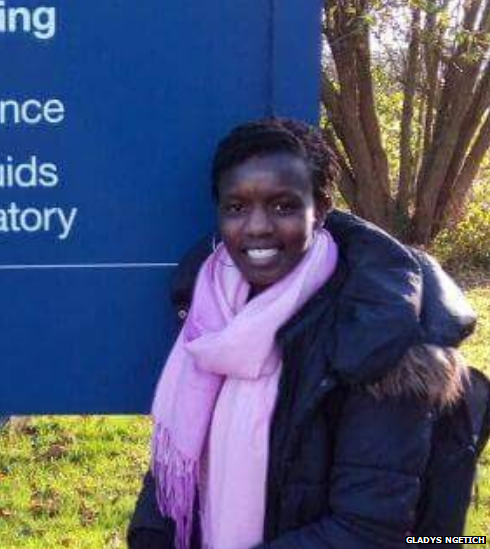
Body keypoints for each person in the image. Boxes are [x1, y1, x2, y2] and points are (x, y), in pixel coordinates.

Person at [127, 118, 478, 549]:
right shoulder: (209, 316)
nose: (256, 227)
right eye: (236, 208)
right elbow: (169, 478)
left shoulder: (379, 337)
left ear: (323, 208)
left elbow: (369, 530)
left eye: (282, 206)